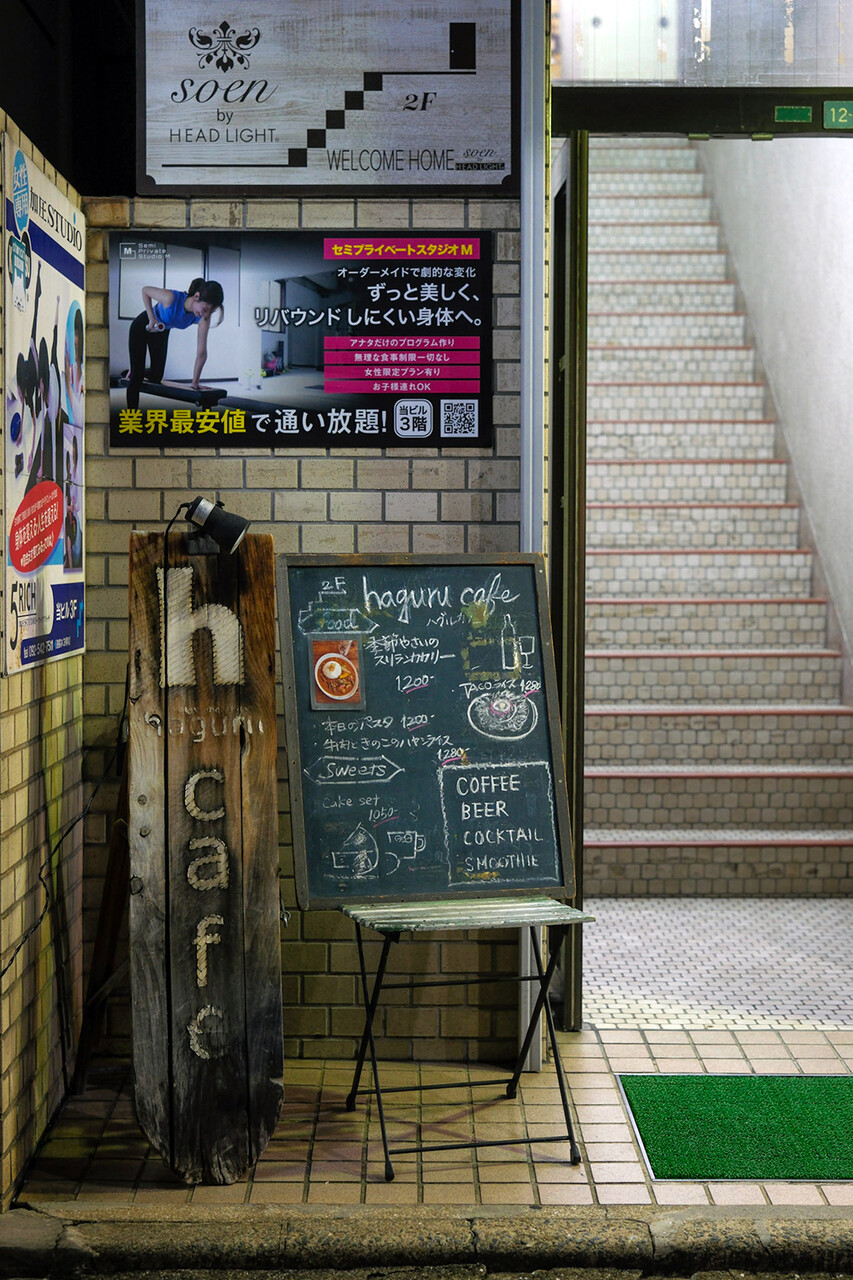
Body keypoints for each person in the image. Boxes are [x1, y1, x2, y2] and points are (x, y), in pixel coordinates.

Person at [125, 277, 224, 410]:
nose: (206, 314)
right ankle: (132, 415)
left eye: (211, 311)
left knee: (156, 377)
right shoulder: (171, 298)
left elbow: (201, 352)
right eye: (206, 309)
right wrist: (151, 318)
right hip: (142, 326)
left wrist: (195, 382)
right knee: (136, 378)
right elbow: (145, 290)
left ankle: (136, 368)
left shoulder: (203, 317)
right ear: (196, 297)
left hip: (161, 331)